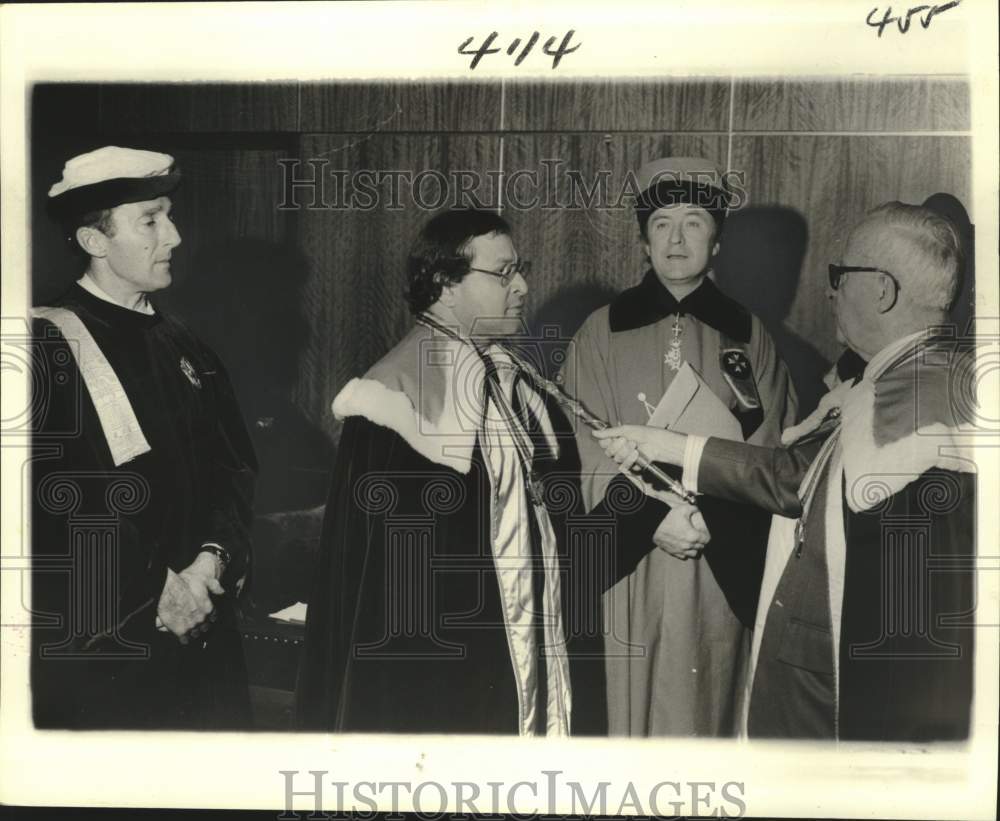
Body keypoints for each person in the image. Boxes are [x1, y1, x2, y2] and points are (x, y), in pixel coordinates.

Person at [595, 201, 976, 741]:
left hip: (837, 705)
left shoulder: (909, 405)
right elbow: (801, 473)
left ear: (884, 291)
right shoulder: (911, 383)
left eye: (840, 275)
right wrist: (667, 443)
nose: (829, 291)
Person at [296, 208, 682, 735]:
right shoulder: (394, 405)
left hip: (527, 688)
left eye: (520, 269)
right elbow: (391, 613)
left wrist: (647, 512)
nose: (522, 286)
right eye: (502, 273)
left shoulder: (518, 393)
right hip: (450, 706)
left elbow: (559, 562)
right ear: (444, 284)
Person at [562, 156, 797, 736]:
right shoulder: (600, 329)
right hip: (627, 550)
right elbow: (579, 444)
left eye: (694, 221)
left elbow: (770, 450)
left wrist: (697, 516)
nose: (676, 237)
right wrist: (651, 517)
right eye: (662, 222)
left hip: (715, 548)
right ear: (643, 238)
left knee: (703, 701)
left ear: (716, 242)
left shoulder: (749, 334)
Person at [31, 146, 257, 729]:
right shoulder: (45, 344)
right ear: (94, 242)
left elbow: (235, 467)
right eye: (151, 220)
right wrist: (157, 589)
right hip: (109, 647)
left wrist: (213, 559)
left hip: (205, 627)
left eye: (169, 215)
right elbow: (56, 502)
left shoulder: (185, 343)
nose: (175, 236)